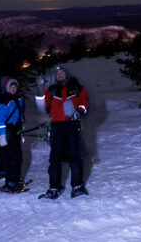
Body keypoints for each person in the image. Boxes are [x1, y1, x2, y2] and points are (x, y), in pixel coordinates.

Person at [38, 65, 90, 199]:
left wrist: (79, 112)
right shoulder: (52, 89)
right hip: (56, 127)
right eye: (57, 73)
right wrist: (40, 89)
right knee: (55, 158)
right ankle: (54, 187)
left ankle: (77, 186)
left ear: (67, 74)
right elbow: (43, 105)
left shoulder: (76, 87)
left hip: (72, 125)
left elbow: (84, 103)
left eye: (62, 72)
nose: (60, 75)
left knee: (75, 156)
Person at [0, 76, 27, 193]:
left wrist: (22, 131)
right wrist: (1, 136)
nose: (14, 89)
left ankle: (15, 180)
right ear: (7, 88)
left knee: (17, 157)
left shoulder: (18, 99)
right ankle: (10, 182)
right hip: (8, 130)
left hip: (16, 129)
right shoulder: (3, 100)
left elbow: (21, 116)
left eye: (15, 87)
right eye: (11, 87)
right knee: (11, 157)